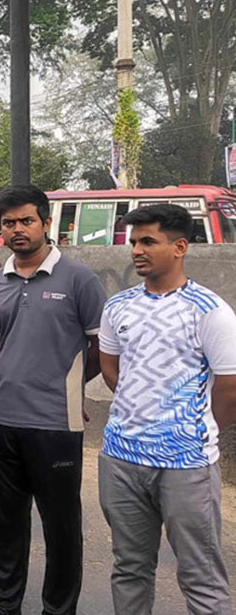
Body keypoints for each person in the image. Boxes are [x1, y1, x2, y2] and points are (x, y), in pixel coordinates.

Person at [0, 185, 107, 615]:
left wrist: (68, 386)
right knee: (6, 523)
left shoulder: (79, 279)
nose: (17, 230)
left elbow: (100, 348)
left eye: (26, 220)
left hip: (54, 425)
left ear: (47, 223)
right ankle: (6, 605)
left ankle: (57, 610)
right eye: (8, 223)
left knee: (61, 527)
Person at [98, 204, 236, 615]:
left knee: (200, 575)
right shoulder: (118, 306)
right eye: (133, 241)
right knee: (130, 568)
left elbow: (230, 388)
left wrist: (197, 430)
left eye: (148, 241)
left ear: (179, 247)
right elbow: (111, 369)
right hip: (120, 460)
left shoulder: (209, 311)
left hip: (186, 466)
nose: (136, 250)